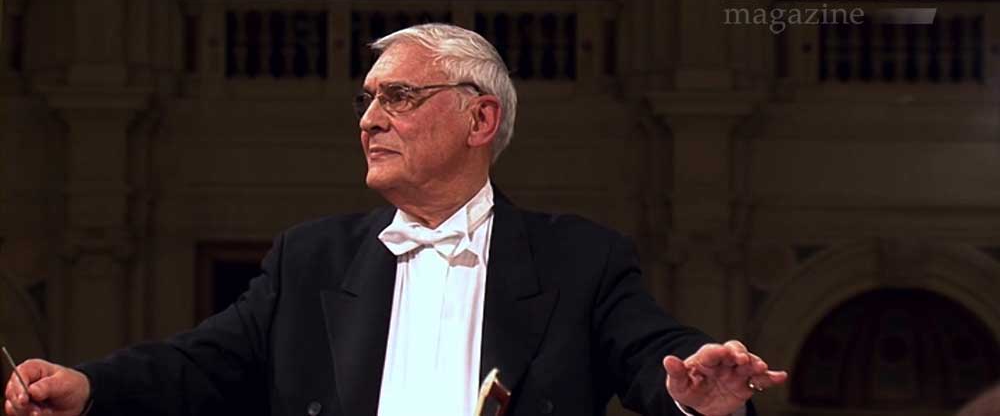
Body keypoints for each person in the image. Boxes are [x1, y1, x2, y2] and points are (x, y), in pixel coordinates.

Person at [4, 24, 786, 416]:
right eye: (366, 100)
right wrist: (89, 386)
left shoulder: (580, 258)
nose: (370, 119)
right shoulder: (310, 257)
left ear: (480, 119)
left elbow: (657, 352)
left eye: (398, 97)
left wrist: (697, 395)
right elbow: (199, 363)